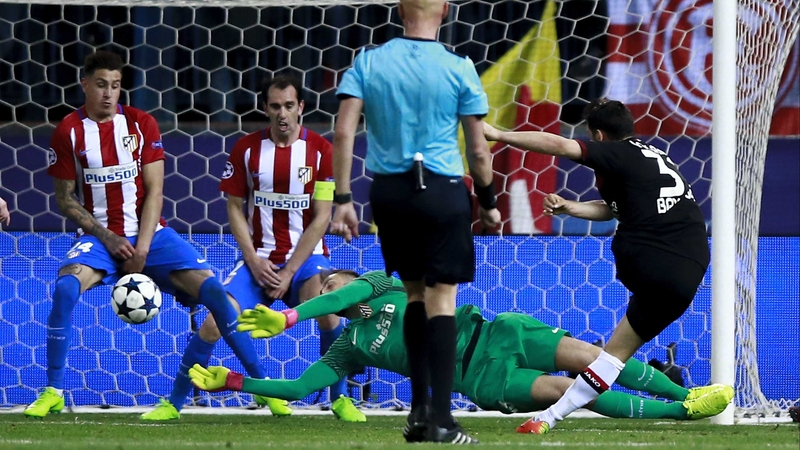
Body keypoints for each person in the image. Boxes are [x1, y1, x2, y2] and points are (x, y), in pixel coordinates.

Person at [24, 51, 263, 419]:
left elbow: (155, 192)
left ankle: (265, 387)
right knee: (64, 288)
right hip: (100, 238)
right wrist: (108, 238)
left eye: (116, 86)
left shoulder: (141, 124)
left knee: (215, 291)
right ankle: (53, 390)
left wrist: (142, 246)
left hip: (151, 235)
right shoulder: (68, 131)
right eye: (101, 85)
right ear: (85, 84)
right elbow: (65, 200)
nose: (109, 93)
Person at [190, 270, 733, 427]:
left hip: (498, 332)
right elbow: (299, 387)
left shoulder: (381, 286)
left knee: (597, 358)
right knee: (571, 392)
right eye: (321, 291)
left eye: (331, 284)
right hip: (477, 379)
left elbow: (352, 290)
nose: (328, 292)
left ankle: (688, 394)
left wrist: (288, 313)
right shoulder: (347, 350)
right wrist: (236, 383)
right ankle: (679, 412)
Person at [482, 98, 722, 434]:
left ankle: (551, 414)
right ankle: (546, 419)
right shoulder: (651, 155)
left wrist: (498, 133)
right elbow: (613, 209)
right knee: (612, 357)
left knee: (622, 253)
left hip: (654, 260)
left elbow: (558, 144)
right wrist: (570, 207)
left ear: (598, 134)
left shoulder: (616, 152)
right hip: (689, 269)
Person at [140, 75, 364, 423]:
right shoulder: (247, 150)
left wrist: (290, 271)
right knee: (214, 322)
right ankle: (174, 403)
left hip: (305, 262)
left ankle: (340, 399)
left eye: (289, 106)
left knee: (328, 311)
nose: (282, 114)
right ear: (265, 109)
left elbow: (321, 218)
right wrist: (253, 259)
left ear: (301, 108)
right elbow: (234, 208)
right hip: (258, 261)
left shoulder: (321, 150)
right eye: (275, 107)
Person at [328, 0, 500, 443]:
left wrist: (343, 198)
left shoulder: (369, 60)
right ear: (444, 9)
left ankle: (418, 410)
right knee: (443, 298)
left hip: (389, 193)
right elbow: (479, 151)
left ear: (400, 8)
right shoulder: (459, 67)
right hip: (441, 190)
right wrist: (487, 201)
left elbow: (344, 131)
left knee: (414, 293)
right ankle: (442, 418)